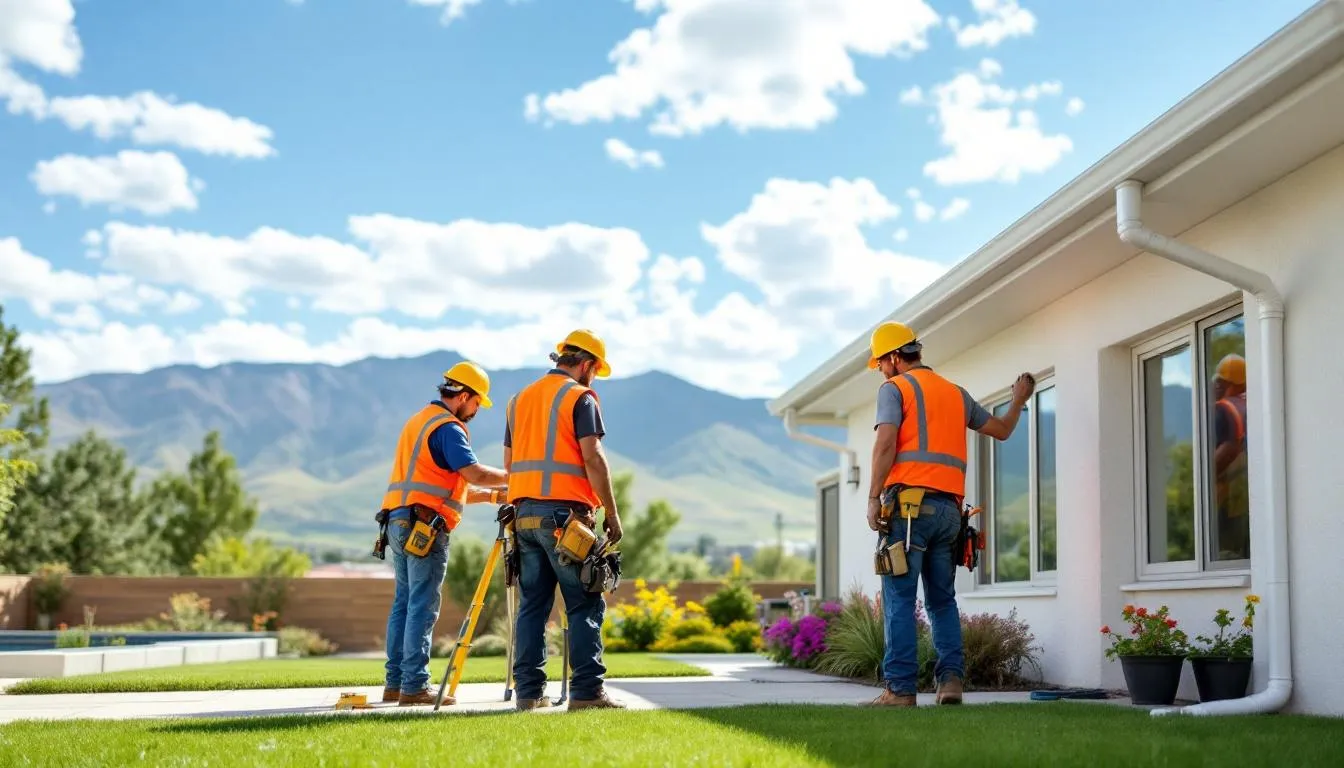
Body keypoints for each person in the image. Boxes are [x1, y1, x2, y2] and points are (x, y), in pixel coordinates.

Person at [863, 321, 1035, 707]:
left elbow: (885, 442)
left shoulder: (894, 389)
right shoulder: (956, 394)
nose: (880, 371)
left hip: (908, 512)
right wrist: (1019, 399)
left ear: (893, 358)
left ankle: (901, 690)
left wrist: (873, 497)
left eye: (880, 364)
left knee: (900, 601)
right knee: (942, 601)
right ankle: (951, 682)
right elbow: (1003, 430)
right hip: (950, 515)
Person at [504, 329, 624, 711]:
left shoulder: (518, 400)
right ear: (587, 364)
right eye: (595, 370)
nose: (593, 377)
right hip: (566, 519)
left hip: (522, 517)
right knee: (584, 601)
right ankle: (588, 693)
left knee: (532, 607)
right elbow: (593, 457)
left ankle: (529, 694)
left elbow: (509, 465)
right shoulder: (579, 397)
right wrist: (612, 513)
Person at [378, 361, 508, 706]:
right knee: (422, 604)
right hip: (425, 526)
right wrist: (519, 477)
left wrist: (497, 496)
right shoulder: (449, 428)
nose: (477, 410)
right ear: (463, 396)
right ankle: (415, 686)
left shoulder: (418, 421)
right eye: (477, 402)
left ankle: (395, 684)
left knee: (403, 604)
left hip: (398, 521)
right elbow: (475, 474)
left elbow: (449, 487)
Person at [1210, 353, 1250, 560]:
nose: (1216, 386)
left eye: (1220, 381)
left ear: (1232, 383)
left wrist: (1205, 480)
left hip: (1228, 495)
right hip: (1246, 496)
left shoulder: (1224, 408)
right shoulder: (1250, 406)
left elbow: (1229, 447)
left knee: (1226, 555)